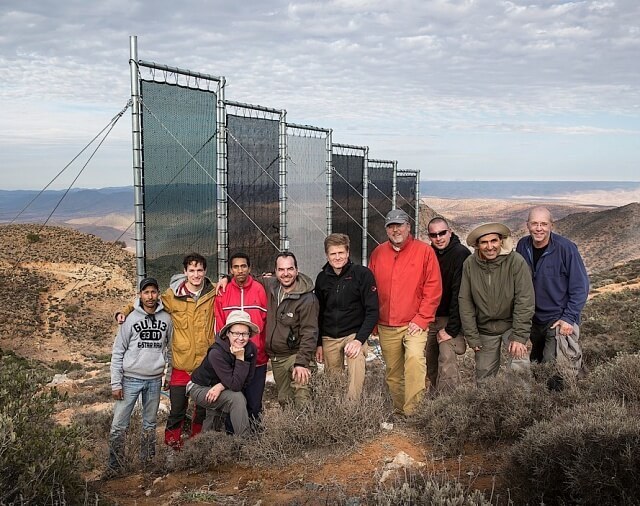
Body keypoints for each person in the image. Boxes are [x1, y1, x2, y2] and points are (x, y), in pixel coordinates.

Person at [116, 253, 217, 449]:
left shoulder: (213, 293)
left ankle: (197, 446)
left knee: (202, 410)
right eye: (192, 270)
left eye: (199, 270)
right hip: (181, 363)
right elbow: (148, 302)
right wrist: (125, 311)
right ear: (185, 272)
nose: (196, 275)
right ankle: (172, 447)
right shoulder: (172, 296)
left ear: (205, 271)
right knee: (178, 409)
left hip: (205, 365)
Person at [368, 209, 442, 415]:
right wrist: (373, 321)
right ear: (386, 230)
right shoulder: (378, 253)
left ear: (408, 227)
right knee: (393, 371)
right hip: (386, 324)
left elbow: (433, 288)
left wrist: (422, 318)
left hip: (414, 324)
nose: (395, 229)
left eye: (399, 225)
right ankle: (401, 411)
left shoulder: (425, 252)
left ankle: (414, 411)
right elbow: (371, 290)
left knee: (415, 360)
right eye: (391, 226)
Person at [516, 206, 589, 387]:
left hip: (558, 320)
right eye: (534, 223)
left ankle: (563, 406)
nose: (539, 228)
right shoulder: (522, 246)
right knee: (537, 363)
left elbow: (581, 287)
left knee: (553, 367)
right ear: (527, 225)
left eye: (543, 224)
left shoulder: (566, 249)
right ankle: (544, 403)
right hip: (534, 319)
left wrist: (568, 317)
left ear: (551, 225)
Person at [107, 277, 172, 476]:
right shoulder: (130, 319)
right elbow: (118, 351)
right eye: (146, 292)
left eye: (153, 292)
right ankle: (115, 466)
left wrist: (168, 374)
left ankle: (147, 462)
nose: (150, 296)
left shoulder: (166, 319)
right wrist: (116, 383)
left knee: (150, 423)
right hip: (130, 379)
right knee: (119, 425)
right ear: (140, 295)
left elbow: (170, 349)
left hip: (154, 380)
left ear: (158, 293)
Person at [459, 223, 535, 385]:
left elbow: (525, 300)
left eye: (494, 241)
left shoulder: (516, 262)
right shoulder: (470, 264)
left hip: (511, 325)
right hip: (485, 328)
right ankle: (487, 409)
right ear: (477, 245)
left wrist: (520, 336)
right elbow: (465, 302)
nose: (490, 246)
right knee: (484, 376)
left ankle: (521, 406)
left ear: (501, 241)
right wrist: (472, 336)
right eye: (484, 242)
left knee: (519, 368)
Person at [314, 233, 379, 401]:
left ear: (348, 252)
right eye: (333, 254)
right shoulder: (322, 278)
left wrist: (359, 340)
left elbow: (372, 310)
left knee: (355, 361)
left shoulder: (362, 274)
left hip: (353, 334)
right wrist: (319, 343)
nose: (337, 257)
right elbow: (319, 312)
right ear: (327, 255)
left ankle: (352, 409)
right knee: (333, 381)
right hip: (329, 335)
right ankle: (336, 414)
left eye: (341, 253)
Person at [214, 252, 268, 426]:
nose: (240, 270)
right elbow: (221, 327)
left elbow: (265, 322)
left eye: (243, 266)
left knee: (254, 405)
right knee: (235, 404)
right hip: (232, 362)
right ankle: (233, 444)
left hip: (257, 360)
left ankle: (256, 444)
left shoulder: (260, 289)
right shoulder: (223, 292)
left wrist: (262, 348)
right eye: (236, 267)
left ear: (249, 268)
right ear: (231, 270)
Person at [188, 310, 258, 437]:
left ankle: (205, 445)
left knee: (215, 416)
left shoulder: (251, 349)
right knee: (236, 398)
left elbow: (247, 380)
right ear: (227, 333)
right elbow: (236, 386)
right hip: (200, 387)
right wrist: (240, 359)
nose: (241, 338)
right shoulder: (217, 352)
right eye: (236, 333)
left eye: (245, 334)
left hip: (219, 386)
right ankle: (244, 441)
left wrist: (221, 386)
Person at [263, 251, 319, 408]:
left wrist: (301, 363)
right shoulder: (271, 287)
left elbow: (310, 332)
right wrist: (227, 278)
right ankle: (290, 433)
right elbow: (247, 278)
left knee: (303, 398)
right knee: (285, 401)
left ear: (297, 270)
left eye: (290, 269)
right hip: (276, 358)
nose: (286, 274)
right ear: (275, 272)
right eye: (281, 270)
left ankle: (309, 432)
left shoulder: (308, 299)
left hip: (296, 356)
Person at [425, 217, 471, 394]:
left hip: (451, 319)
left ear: (450, 232)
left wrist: (451, 329)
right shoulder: (429, 254)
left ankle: (448, 401)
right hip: (431, 318)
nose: (439, 238)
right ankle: (435, 395)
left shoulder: (461, 254)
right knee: (431, 360)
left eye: (442, 233)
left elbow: (460, 294)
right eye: (433, 234)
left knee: (446, 359)